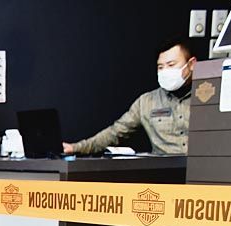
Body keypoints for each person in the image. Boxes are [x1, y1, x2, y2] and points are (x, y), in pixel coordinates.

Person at [63, 38, 195, 156]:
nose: (165, 71)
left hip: (202, 170)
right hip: (166, 172)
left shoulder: (205, 98)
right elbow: (115, 132)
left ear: (191, 64)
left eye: (171, 65)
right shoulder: (146, 102)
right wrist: (76, 147)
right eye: (160, 67)